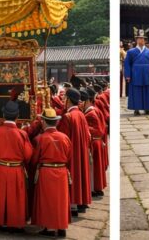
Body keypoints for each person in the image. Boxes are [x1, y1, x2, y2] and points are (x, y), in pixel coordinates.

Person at [0, 100, 32, 232]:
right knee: (16, 196)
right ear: (17, 116)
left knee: (1, 195)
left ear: (3, 115)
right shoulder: (22, 134)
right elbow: (28, 154)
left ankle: (2, 222)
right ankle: (16, 223)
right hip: (16, 169)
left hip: (0, 168)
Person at [30, 108, 71, 238]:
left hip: (46, 172)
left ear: (43, 122)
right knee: (61, 201)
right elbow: (69, 156)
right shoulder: (65, 137)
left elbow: (35, 159)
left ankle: (49, 228)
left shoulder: (40, 139)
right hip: (62, 171)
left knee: (47, 201)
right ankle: (61, 226)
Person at [58, 88, 91, 216]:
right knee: (81, 174)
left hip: (72, 153)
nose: (63, 100)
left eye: (65, 98)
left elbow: (63, 138)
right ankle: (80, 202)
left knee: (73, 176)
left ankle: (72, 205)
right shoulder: (81, 114)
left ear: (69, 100)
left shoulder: (68, 116)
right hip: (81, 150)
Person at [123, 29, 149, 116]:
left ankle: (147, 108)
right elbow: (127, 64)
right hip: (135, 74)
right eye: (139, 38)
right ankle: (136, 109)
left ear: (145, 40)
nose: (141, 40)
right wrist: (128, 75)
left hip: (147, 74)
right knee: (136, 91)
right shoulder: (130, 52)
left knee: (148, 91)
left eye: (142, 38)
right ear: (136, 40)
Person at [82, 88, 108, 198]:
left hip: (94, 142)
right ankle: (97, 187)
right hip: (97, 141)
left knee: (94, 169)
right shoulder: (95, 110)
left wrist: (83, 128)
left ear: (88, 101)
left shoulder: (91, 113)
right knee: (96, 168)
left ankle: (95, 188)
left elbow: (98, 130)